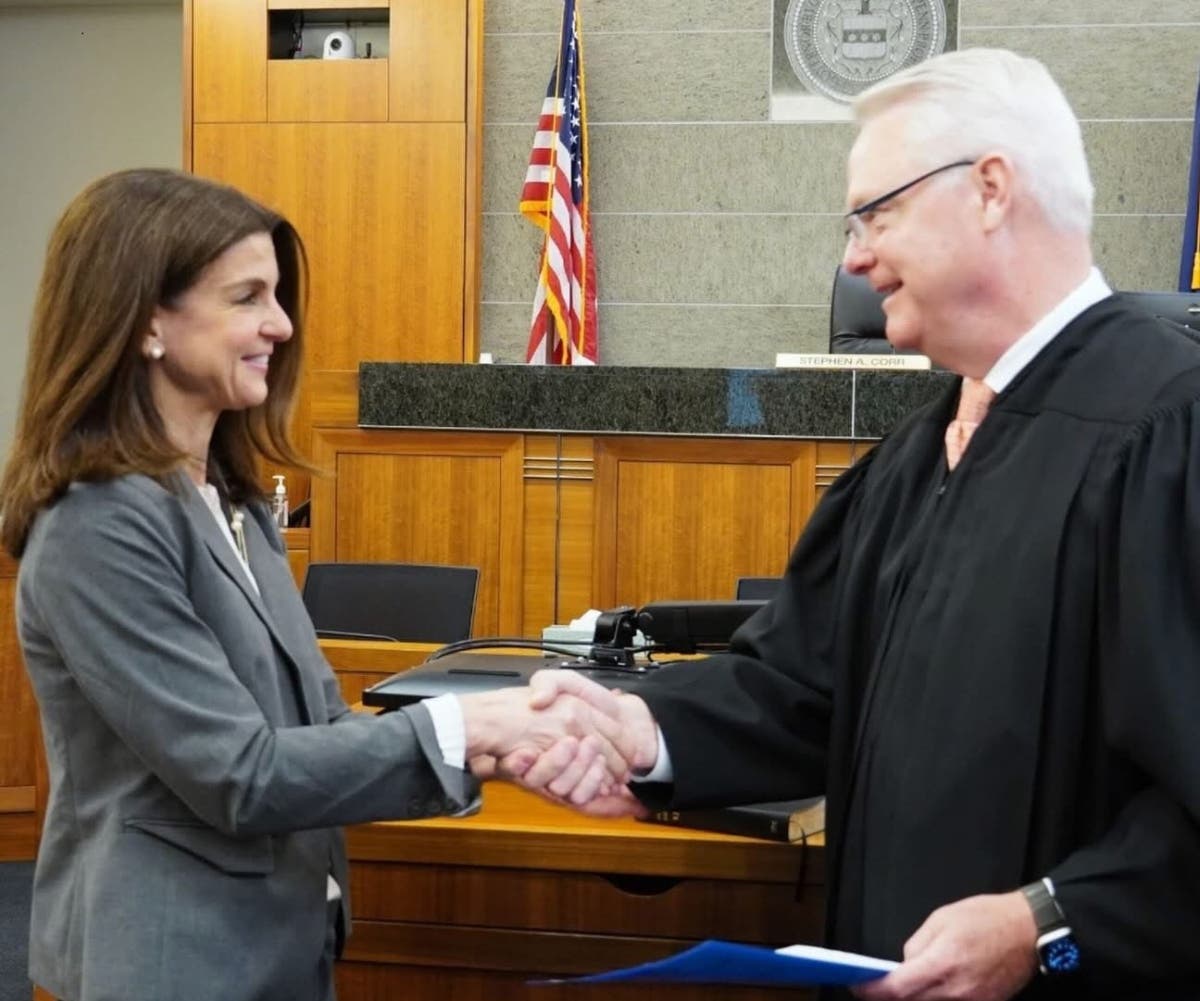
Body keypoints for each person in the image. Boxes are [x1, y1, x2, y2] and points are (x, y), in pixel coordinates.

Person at [503, 48, 1200, 1000]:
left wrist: (1048, 923)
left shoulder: (1170, 433)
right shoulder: (916, 460)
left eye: (878, 212)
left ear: (991, 189)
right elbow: (800, 689)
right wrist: (640, 728)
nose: (853, 256)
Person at [0, 168, 630, 1001]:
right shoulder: (100, 522)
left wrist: (497, 748)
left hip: (283, 946)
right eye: (248, 297)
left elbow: (317, 721)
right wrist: (471, 723)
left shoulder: (232, 498)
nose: (281, 324)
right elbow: (240, 771)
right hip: (173, 962)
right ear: (147, 319)